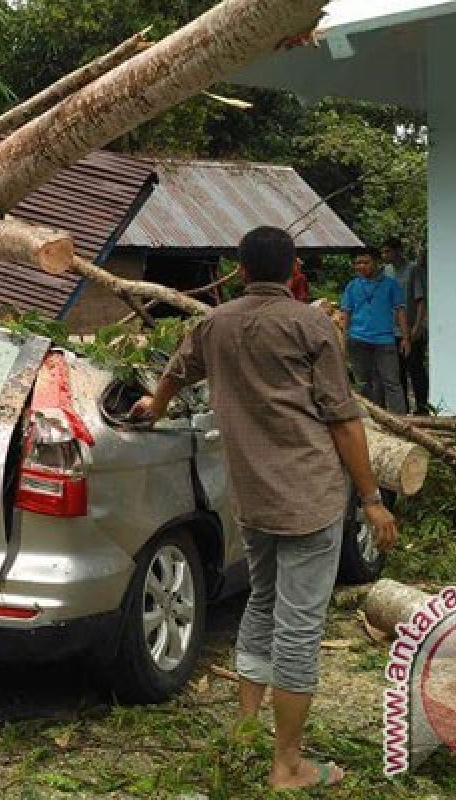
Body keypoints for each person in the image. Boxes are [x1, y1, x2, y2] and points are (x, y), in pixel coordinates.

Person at [131, 226, 399, 791]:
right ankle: (288, 764)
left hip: (251, 499)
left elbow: (178, 370)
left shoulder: (214, 324)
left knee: (262, 606)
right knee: (299, 627)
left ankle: (247, 732)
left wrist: (154, 405)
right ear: (294, 268)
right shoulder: (310, 324)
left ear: (242, 270)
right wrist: (373, 500)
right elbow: (343, 419)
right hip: (310, 498)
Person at [340, 247, 410, 413]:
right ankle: (372, 419)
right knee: (364, 382)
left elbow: (400, 311)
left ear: (376, 263)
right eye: (357, 263)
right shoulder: (352, 286)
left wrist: (406, 338)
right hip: (357, 339)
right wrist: (344, 339)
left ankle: (402, 420)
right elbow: (346, 313)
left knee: (391, 382)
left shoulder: (391, 285)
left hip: (384, 340)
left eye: (365, 262)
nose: (361, 266)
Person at [382, 237, 429, 414]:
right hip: (393, 329)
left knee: (415, 368)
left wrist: (417, 326)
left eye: (388, 251)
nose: (385, 255)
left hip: (411, 328)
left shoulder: (413, 270)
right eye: (383, 252)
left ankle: (422, 408)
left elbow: (421, 300)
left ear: (397, 251)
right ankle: (403, 409)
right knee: (397, 370)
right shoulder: (387, 271)